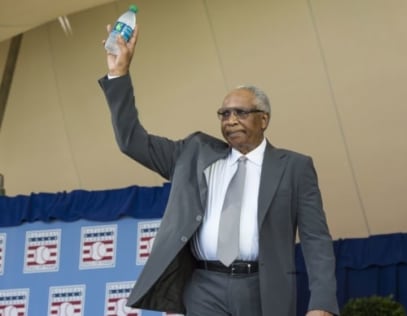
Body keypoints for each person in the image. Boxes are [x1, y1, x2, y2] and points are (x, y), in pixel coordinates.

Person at [99, 25, 339, 316]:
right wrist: (119, 74)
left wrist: (323, 303)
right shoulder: (194, 152)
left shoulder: (295, 167)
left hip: (261, 289)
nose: (231, 120)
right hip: (203, 287)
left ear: (263, 119)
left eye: (241, 112)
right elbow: (131, 141)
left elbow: (316, 239)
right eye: (225, 114)